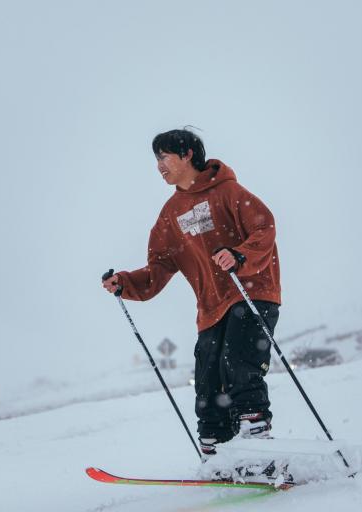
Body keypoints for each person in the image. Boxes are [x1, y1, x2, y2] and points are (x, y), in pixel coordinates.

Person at [102, 128, 281, 460]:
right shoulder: (171, 214)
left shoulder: (229, 192)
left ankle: (256, 447)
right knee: (208, 379)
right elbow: (159, 266)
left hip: (251, 292)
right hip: (211, 307)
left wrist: (240, 254)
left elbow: (264, 226)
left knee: (239, 365)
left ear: (186, 154)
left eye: (164, 157)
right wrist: (126, 283)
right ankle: (219, 451)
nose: (159, 166)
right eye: (156, 159)